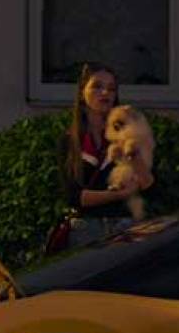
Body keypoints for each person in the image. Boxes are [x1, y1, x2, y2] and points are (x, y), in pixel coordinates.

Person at [59, 62, 154, 248]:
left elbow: (148, 184)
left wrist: (134, 156)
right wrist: (118, 195)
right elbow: (75, 197)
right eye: (97, 86)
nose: (105, 93)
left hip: (125, 227)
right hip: (85, 230)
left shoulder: (128, 132)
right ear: (82, 92)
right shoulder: (71, 140)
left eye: (111, 89)